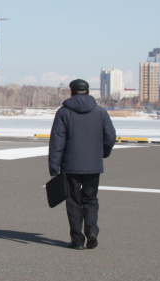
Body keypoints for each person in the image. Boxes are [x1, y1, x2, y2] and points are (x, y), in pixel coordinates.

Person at [48, 79, 116, 250]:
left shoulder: (63, 112)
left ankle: (77, 240)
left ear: (71, 92)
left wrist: (54, 165)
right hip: (93, 164)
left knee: (73, 201)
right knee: (91, 199)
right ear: (87, 92)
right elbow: (110, 137)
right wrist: (104, 152)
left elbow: (57, 141)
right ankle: (91, 231)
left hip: (70, 165)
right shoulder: (100, 112)